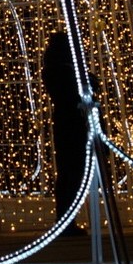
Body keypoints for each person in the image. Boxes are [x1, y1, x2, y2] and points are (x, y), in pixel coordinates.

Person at [41, 30, 91, 236]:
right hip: (73, 123)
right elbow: (82, 90)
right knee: (72, 173)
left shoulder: (54, 69)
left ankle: (66, 219)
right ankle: (66, 220)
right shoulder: (64, 71)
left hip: (65, 122)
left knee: (69, 173)